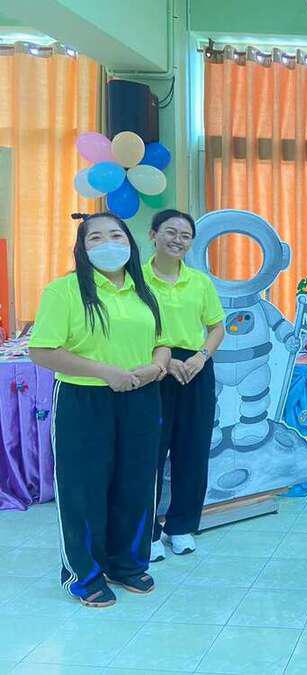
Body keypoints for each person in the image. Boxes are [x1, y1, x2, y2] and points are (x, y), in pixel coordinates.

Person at [29, 212, 169, 608]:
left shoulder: (144, 291)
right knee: (83, 488)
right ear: (82, 248)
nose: (108, 244)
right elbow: (42, 351)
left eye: (116, 235)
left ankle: (128, 564)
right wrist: (104, 372)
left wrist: (157, 366)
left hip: (141, 397)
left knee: (137, 484)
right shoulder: (64, 291)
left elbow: (162, 341)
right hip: (84, 399)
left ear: (129, 242)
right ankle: (84, 574)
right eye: (96, 238)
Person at [145, 210, 224, 562]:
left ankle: (181, 526)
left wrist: (201, 358)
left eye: (185, 235)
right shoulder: (136, 280)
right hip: (152, 370)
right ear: (153, 235)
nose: (177, 239)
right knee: (148, 453)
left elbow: (217, 327)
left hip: (195, 370)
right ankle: (146, 532)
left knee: (192, 451)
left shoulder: (200, 282)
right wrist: (163, 361)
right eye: (170, 232)